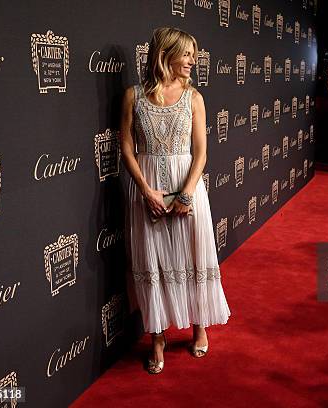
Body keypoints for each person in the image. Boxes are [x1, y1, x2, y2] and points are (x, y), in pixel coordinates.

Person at [120, 27, 230, 374]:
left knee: (194, 256)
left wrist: (186, 193)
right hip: (147, 189)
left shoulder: (194, 97)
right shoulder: (132, 96)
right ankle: (157, 337)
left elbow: (201, 153)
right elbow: (126, 146)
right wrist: (144, 189)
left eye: (193, 56)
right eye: (186, 54)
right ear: (165, 54)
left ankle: (199, 326)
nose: (192, 61)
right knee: (153, 260)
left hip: (188, 186)